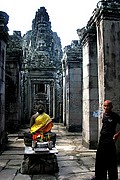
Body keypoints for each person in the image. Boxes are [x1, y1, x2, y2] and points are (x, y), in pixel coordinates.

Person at [91, 100, 120, 180]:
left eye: (108, 106)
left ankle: (113, 177)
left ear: (111, 107)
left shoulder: (114, 116)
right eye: (104, 106)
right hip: (102, 140)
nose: (106, 108)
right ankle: (99, 176)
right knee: (100, 158)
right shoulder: (102, 114)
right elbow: (93, 114)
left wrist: (117, 134)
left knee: (111, 159)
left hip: (110, 140)